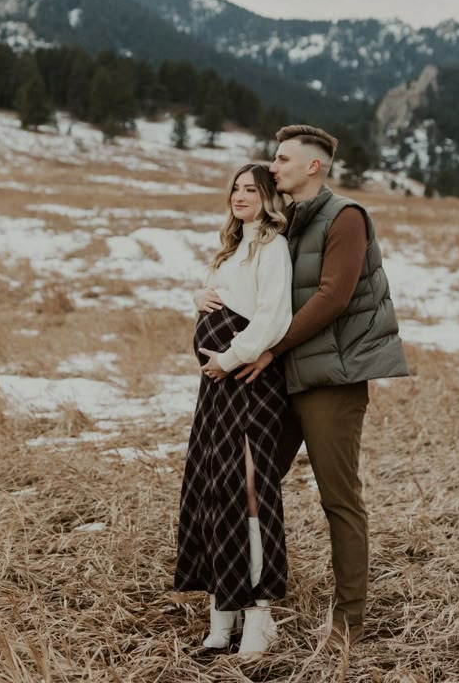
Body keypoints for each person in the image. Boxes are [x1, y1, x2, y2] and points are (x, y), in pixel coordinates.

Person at [236, 124, 409, 648]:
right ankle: (251, 602)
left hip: (331, 380)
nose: (272, 166)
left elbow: (333, 297)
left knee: (339, 498)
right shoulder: (283, 222)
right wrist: (210, 296)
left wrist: (269, 348)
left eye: (283, 158)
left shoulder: (347, 217)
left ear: (314, 166)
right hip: (285, 378)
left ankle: (349, 618)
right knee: (252, 485)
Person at [174, 162, 292, 657]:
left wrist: (229, 356)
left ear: (268, 197)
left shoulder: (272, 246)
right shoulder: (228, 250)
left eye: (251, 189)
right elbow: (219, 306)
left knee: (247, 487)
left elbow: (273, 316)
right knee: (212, 486)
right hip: (216, 389)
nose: (240, 196)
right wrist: (199, 297)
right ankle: (223, 609)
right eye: (235, 188)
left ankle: (260, 613)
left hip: (249, 382)